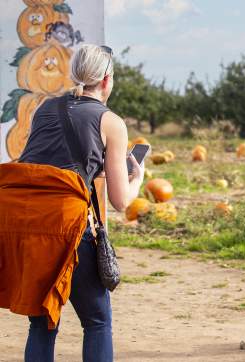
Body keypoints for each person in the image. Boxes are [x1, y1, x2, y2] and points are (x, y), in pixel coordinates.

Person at [0, 44, 143, 362]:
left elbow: (54, 161)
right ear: (106, 80)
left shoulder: (45, 109)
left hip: (25, 224)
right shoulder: (111, 122)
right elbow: (120, 201)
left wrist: (98, 166)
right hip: (67, 226)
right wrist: (137, 179)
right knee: (97, 321)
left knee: (42, 325)